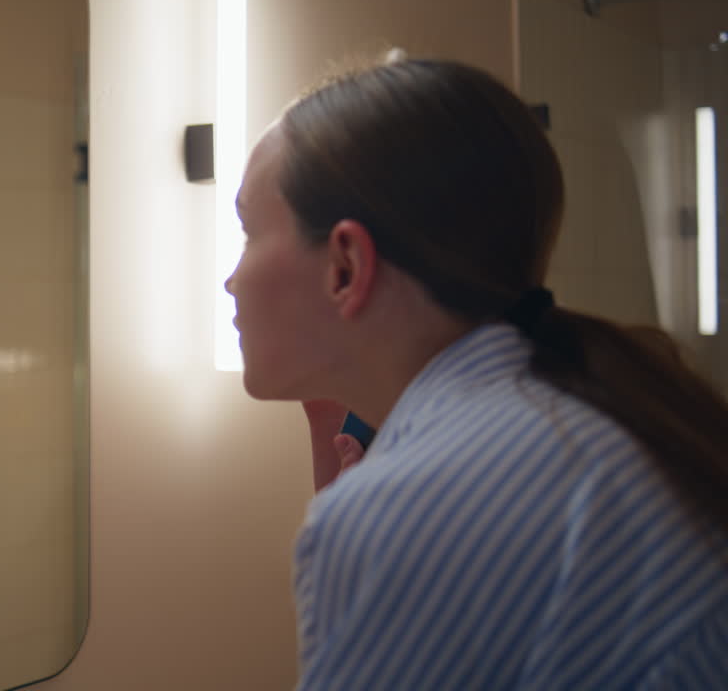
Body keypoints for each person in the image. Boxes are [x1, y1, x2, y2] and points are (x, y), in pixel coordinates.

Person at [225, 56, 728, 689]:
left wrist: (367, 526)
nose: (231, 280)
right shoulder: (579, 418)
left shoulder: (409, 509)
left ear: (346, 266)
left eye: (247, 233)